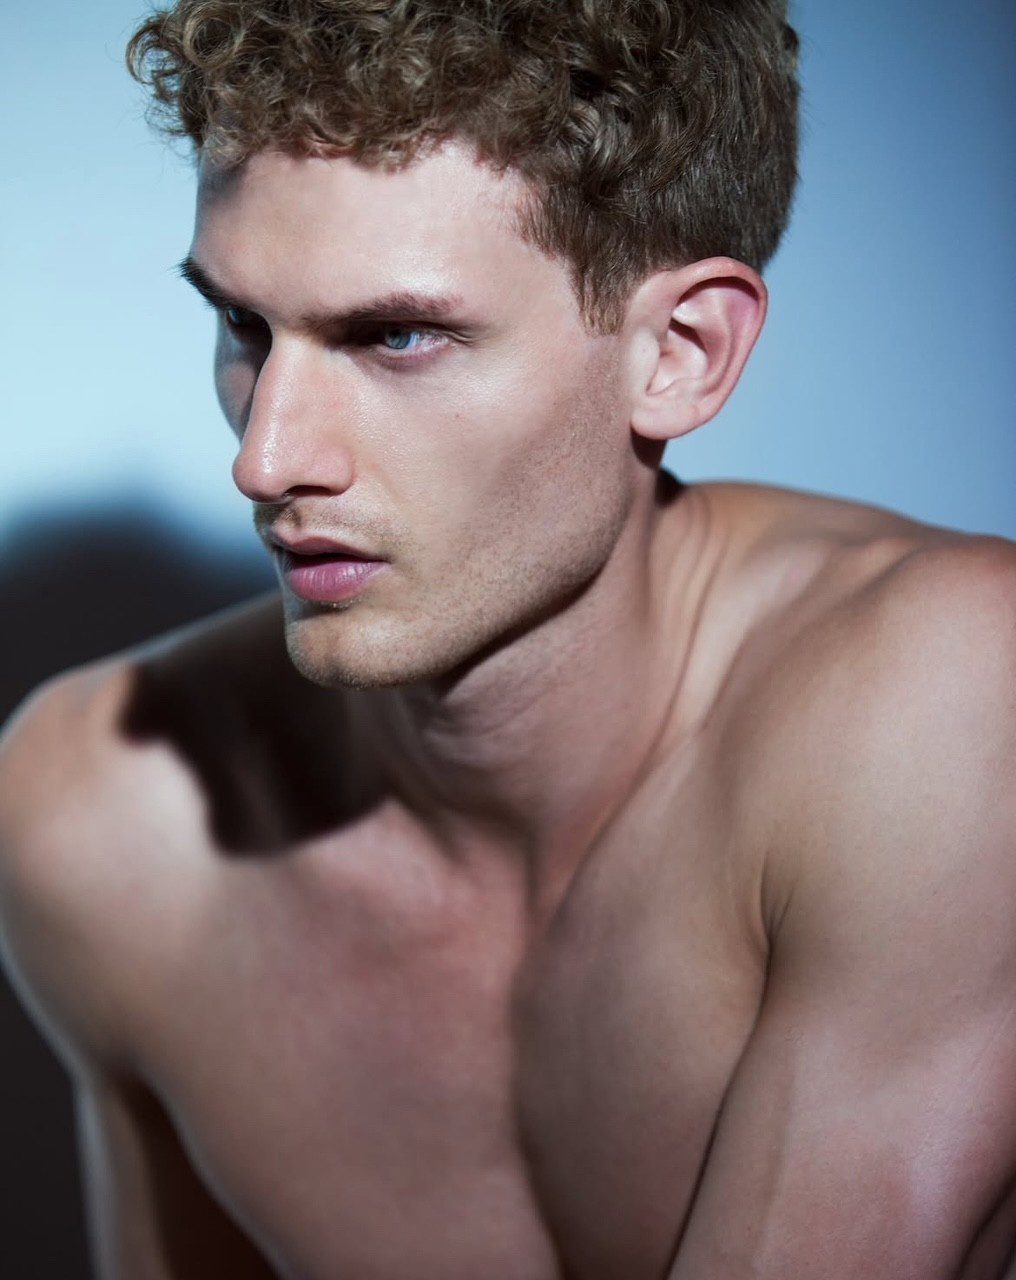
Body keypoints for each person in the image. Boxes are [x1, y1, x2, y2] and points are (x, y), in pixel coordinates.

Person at [1, 1, 1013, 1276]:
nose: (266, 457)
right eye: (246, 327)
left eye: (396, 335)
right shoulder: (102, 819)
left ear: (681, 352)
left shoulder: (945, 701)